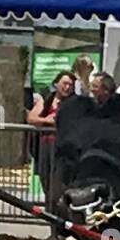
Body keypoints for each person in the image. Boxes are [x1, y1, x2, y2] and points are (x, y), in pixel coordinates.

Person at [26, 70, 76, 211]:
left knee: (58, 184)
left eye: (70, 85)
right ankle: (51, 218)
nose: (67, 88)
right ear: (56, 84)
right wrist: (46, 120)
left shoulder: (74, 103)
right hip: (45, 146)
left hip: (62, 148)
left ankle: (59, 218)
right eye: (64, 83)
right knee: (45, 179)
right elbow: (31, 118)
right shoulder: (47, 99)